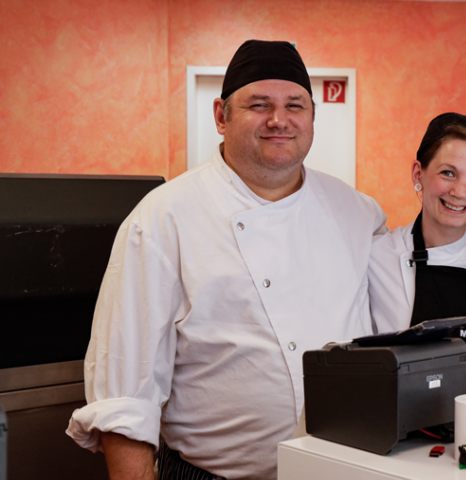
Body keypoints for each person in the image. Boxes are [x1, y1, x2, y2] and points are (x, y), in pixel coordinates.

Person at [66, 40, 387, 480]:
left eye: (295, 105)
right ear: (221, 115)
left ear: (313, 116)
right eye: (259, 104)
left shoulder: (358, 213)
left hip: (343, 469)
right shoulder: (162, 218)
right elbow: (126, 389)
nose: (279, 120)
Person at [368, 113, 466, 402]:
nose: (460, 192)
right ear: (419, 174)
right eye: (448, 173)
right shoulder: (378, 258)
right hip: (410, 437)